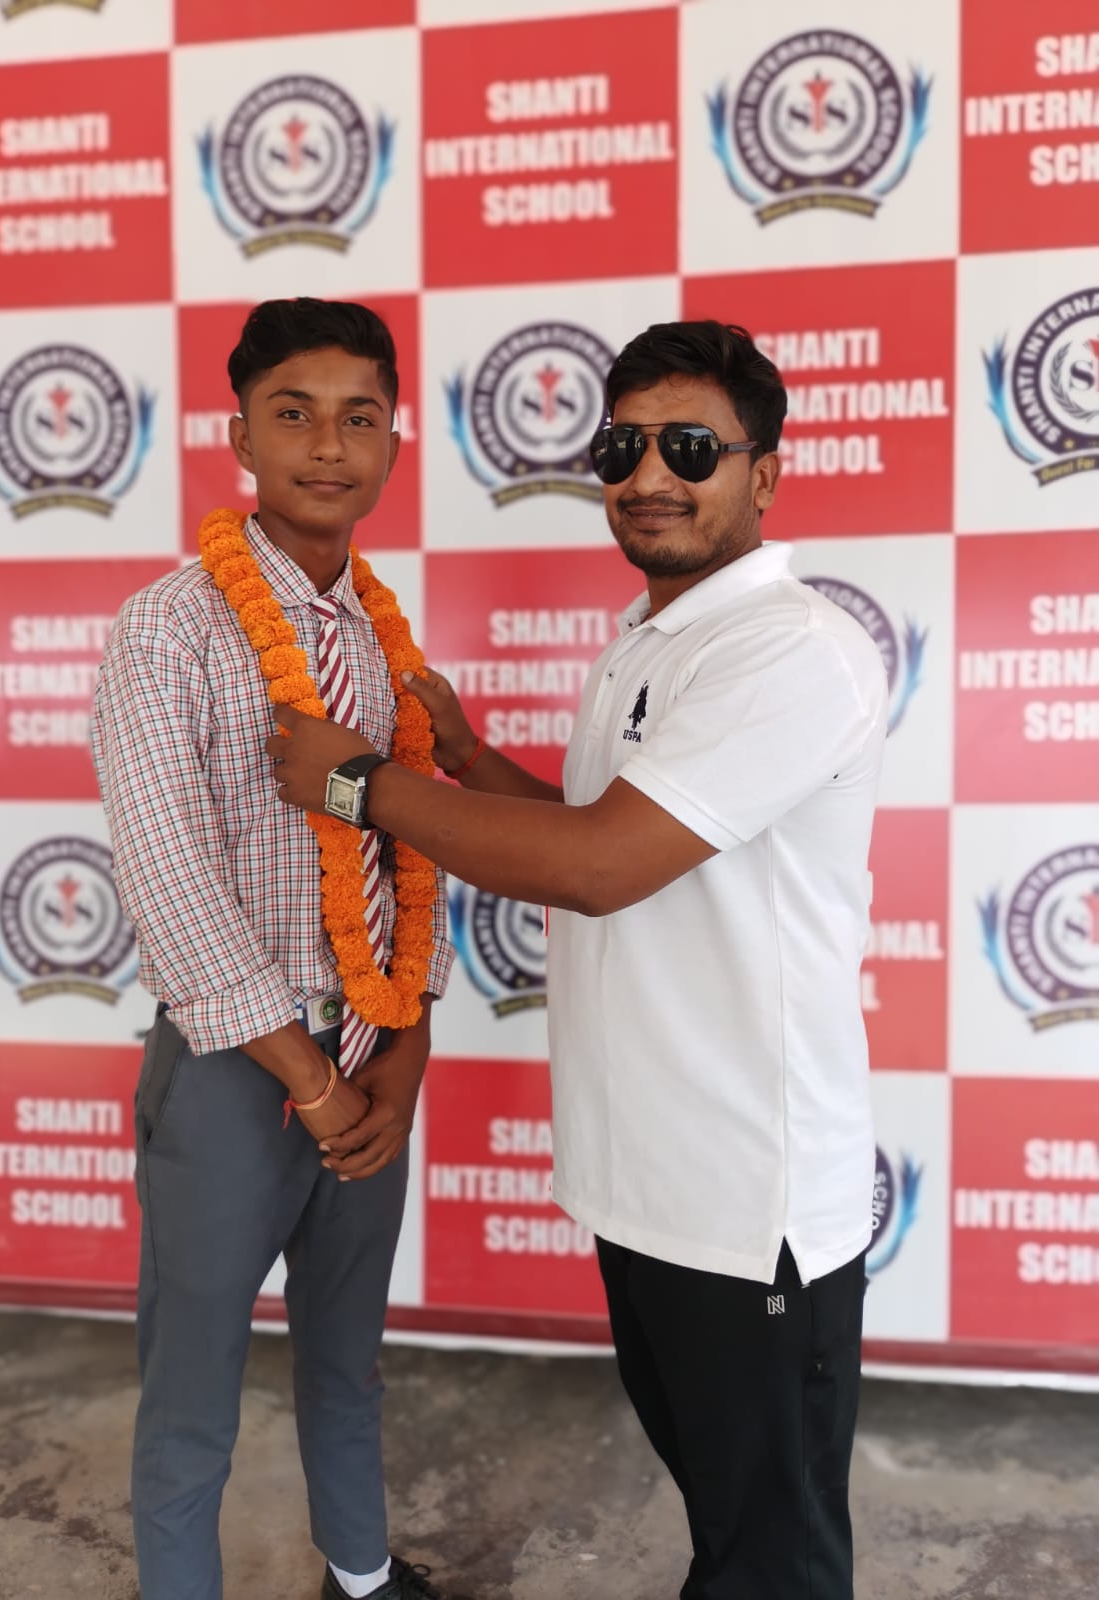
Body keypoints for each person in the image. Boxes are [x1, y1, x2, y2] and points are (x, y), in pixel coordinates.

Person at [271, 320, 889, 1600]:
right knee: (723, 1515)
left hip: (746, 1202)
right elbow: (601, 826)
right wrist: (466, 758)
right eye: (623, 447)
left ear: (764, 475)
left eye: (690, 448)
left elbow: (600, 866)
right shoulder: (649, 638)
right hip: (649, 1187)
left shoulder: (788, 646)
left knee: (772, 1556)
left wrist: (356, 783)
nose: (649, 475)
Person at [91, 298, 465, 1600]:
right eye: (293, 413)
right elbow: (170, 883)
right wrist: (311, 1081)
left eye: (360, 417)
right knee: (191, 1391)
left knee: (347, 1360)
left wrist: (404, 1056)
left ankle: (360, 1576)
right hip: (238, 1072)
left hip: (372, 1059)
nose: (327, 445)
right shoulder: (170, 629)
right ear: (240, 436)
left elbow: (413, 861)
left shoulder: (385, 642)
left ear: (394, 447)